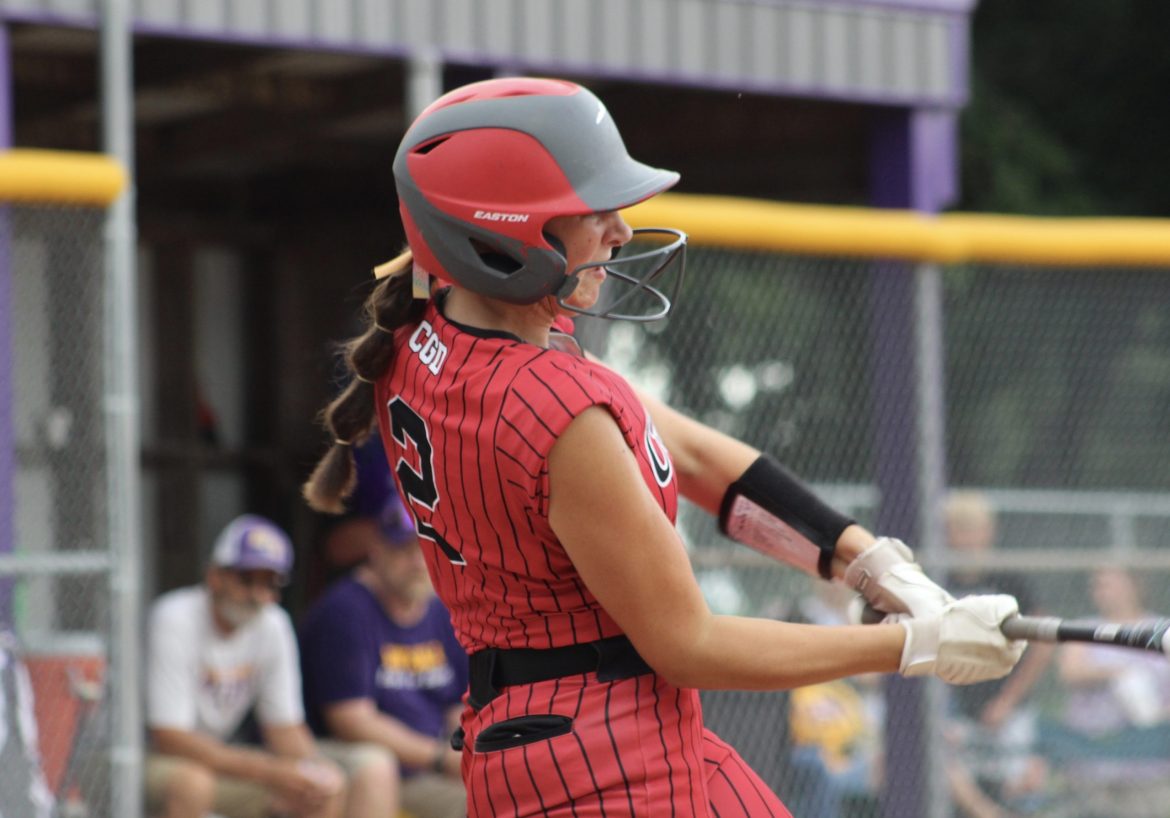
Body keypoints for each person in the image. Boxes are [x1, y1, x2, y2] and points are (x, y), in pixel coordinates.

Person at [301, 76, 1026, 817]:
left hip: (550, 740)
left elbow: (701, 458)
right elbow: (690, 644)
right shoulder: (551, 406)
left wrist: (865, 559)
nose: (618, 231)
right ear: (499, 236)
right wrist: (914, 646)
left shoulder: (423, 344)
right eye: (591, 212)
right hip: (612, 766)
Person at [144, 515, 376, 818]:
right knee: (193, 783)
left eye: (269, 583)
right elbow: (169, 737)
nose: (257, 594)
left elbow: (284, 727)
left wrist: (313, 769)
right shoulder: (174, 616)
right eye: (246, 579)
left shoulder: (273, 623)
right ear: (214, 576)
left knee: (318, 788)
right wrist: (269, 771)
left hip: (219, 757)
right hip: (148, 758)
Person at [299, 492, 467, 818]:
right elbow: (351, 722)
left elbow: (459, 702)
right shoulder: (345, 609)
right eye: (404, 550)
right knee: (377, 766)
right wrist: (438, 757)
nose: (418, 563)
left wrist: (468, 748)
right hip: (360, 762)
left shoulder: (440, 608)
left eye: (426, 550)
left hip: (428, 763)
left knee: (501, 788)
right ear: (376, 553)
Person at [941, 491, 1053, 818]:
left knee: (1025, 781)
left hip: (1007, 712)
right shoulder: (939, 582)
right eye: (955, 529)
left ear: (988, 532)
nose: (963, 539)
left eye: (972, 528)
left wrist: (1007, 701)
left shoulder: (1010, 581)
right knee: (945, 764)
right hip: (955, 713)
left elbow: (1043, 644)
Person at [1052, 566, 1170, 818]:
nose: (1101, 592)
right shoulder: (1084, 628)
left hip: (1152, 758)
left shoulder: (1161, 629)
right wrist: (1118, 672)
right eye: (1097, 585)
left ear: (1133, 586)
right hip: (1096, 754)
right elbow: (1070, 672)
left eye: (1109, 584)